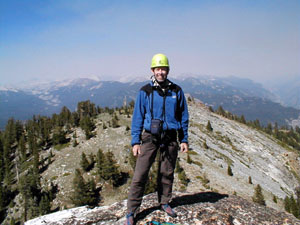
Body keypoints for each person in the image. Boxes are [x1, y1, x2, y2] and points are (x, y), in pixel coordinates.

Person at [125, 53, 189, 225]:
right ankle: (131, 211)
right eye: (158, 69)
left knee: (166, 173)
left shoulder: (176, 91)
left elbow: (183, 116)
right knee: (140, 175)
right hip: (149, 137)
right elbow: (137, 116)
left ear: (168, 70)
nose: (161, 72)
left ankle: (164, 202)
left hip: (170, 137)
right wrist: (135, 141)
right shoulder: (145, 91)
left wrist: (184, 139)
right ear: (153, 70)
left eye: (163, 69)